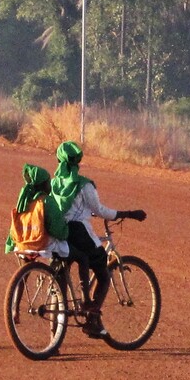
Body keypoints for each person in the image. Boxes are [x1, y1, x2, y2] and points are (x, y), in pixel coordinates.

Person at [51, 141, 146, 338]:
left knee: (61, 279)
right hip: (79, 231)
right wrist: (128, 213)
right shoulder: (84, 184)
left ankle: (54, 336)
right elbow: (100, 211)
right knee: (103, 272)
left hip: (60, 232)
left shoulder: (55, 182)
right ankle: (92, 318)